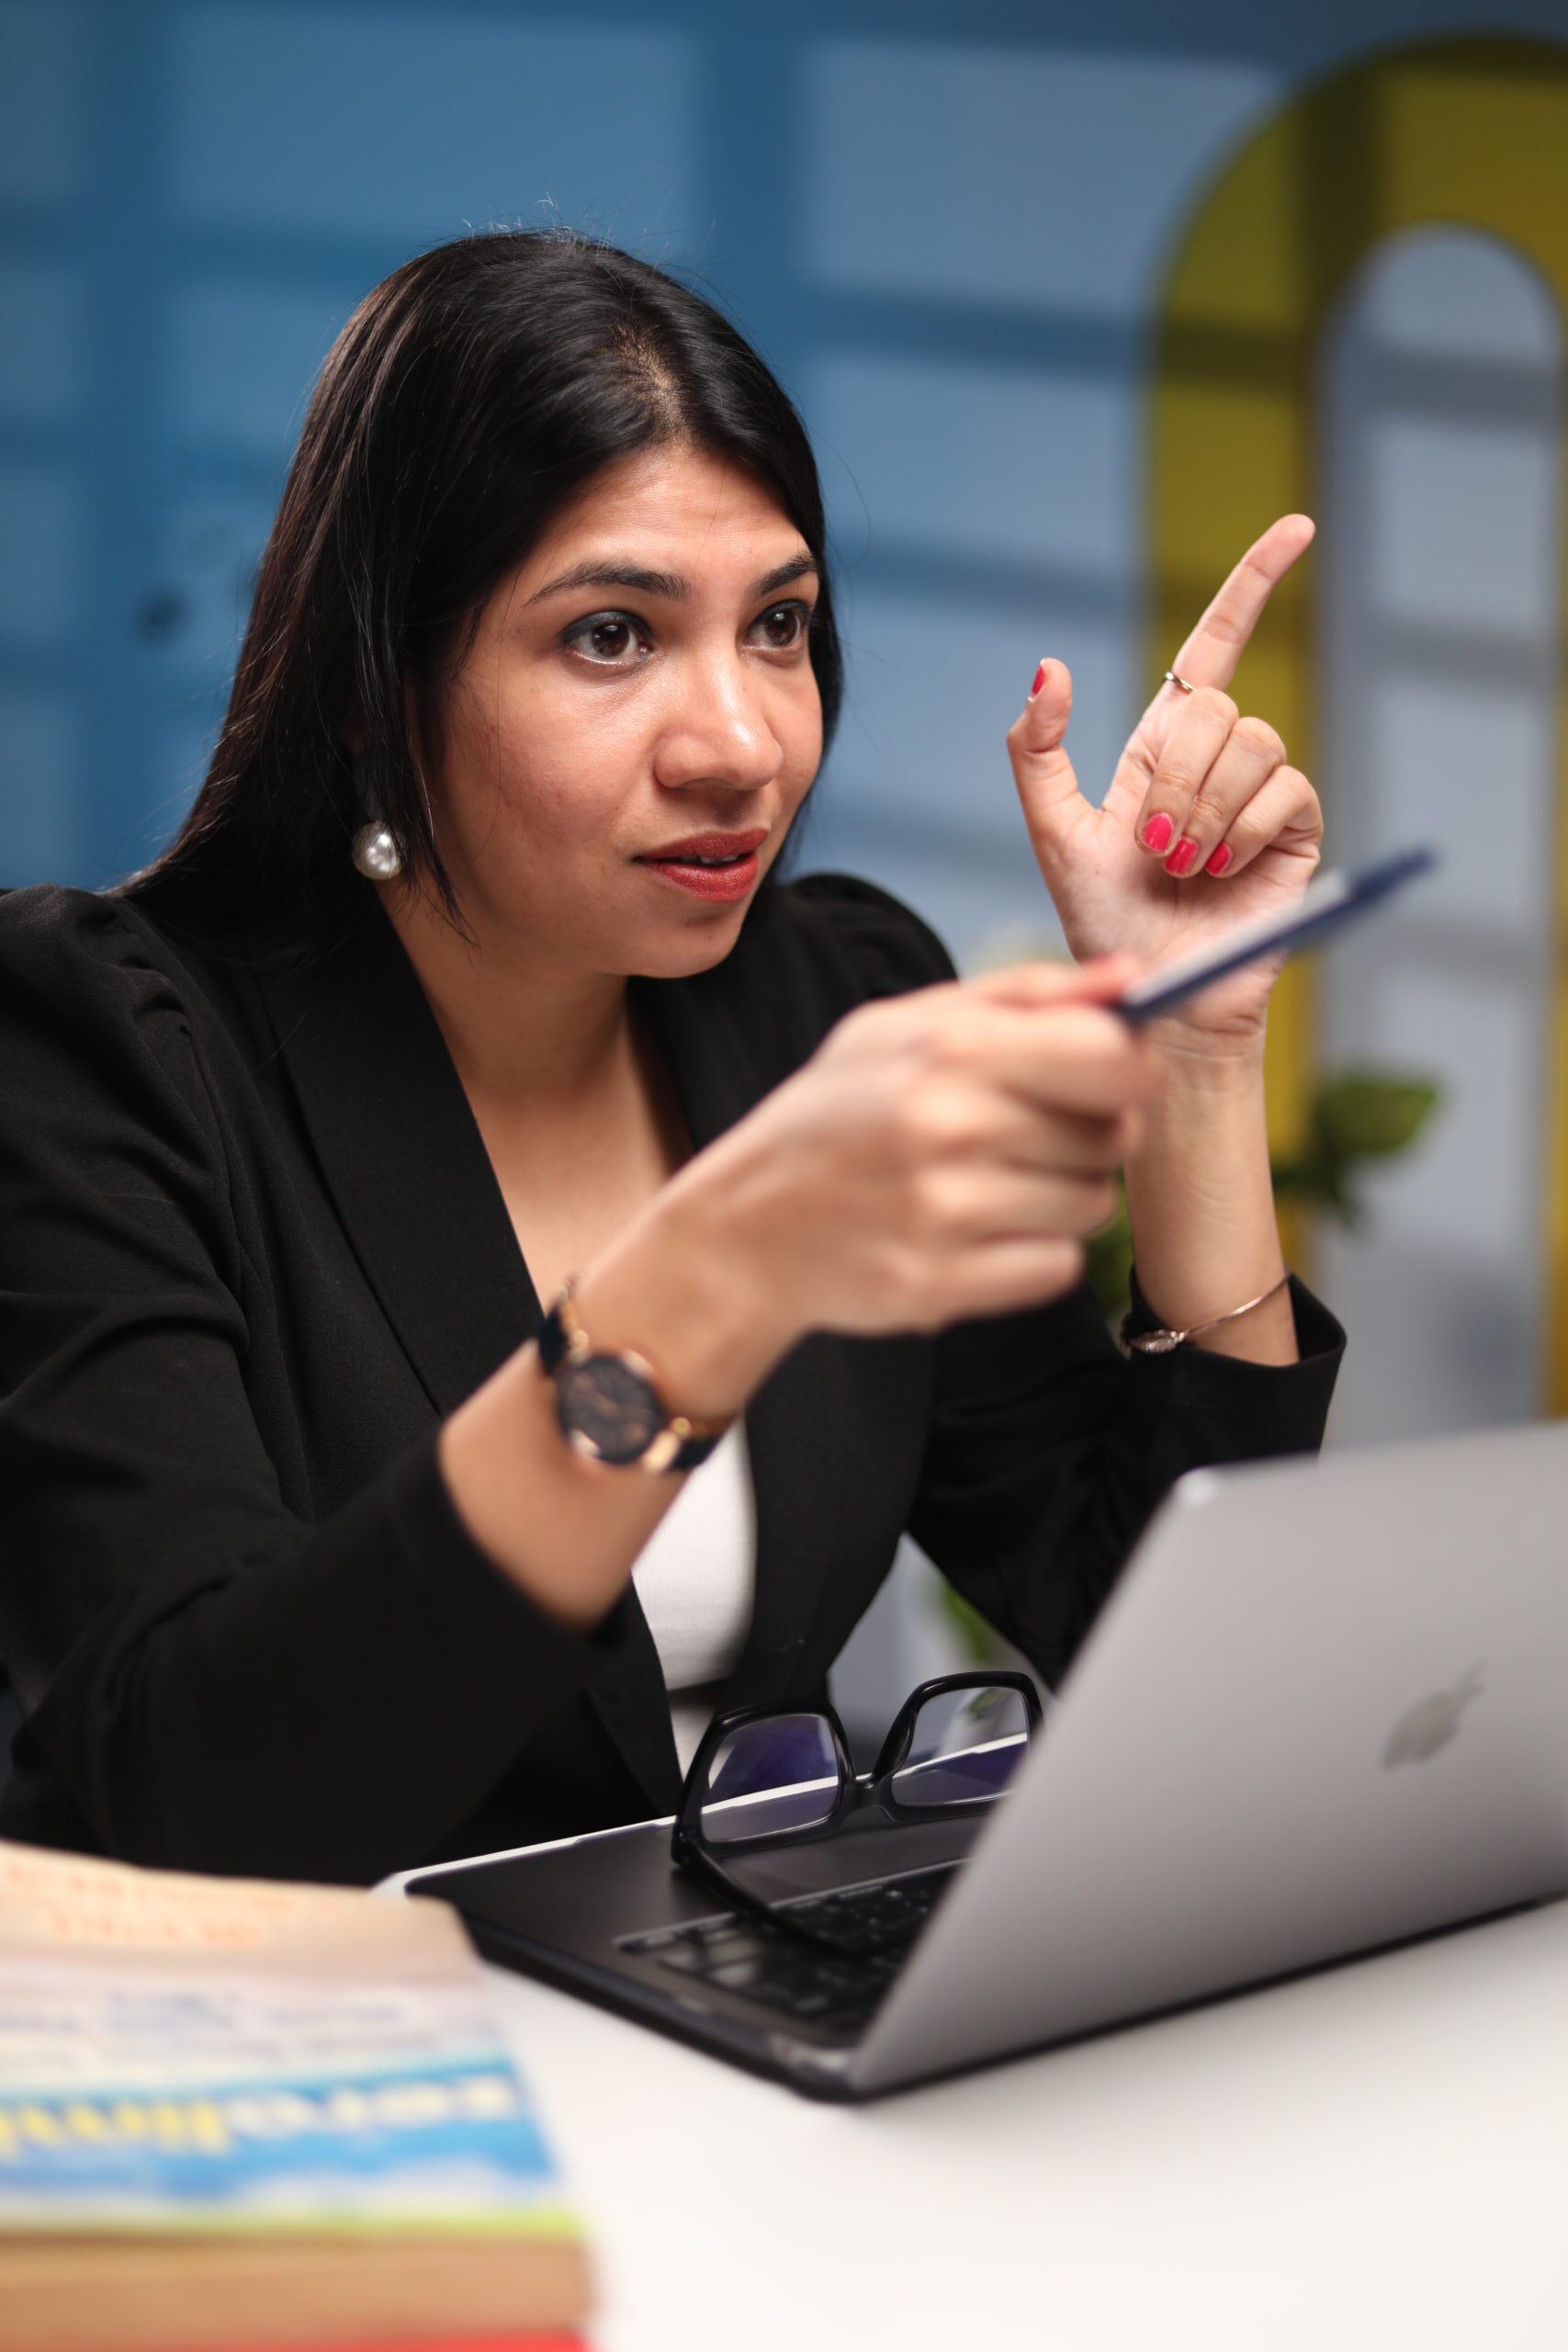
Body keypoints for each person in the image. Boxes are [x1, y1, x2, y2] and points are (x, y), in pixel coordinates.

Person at [0, 230, 1342, 1886]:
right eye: (612, 637)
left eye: (777, 625)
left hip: (708, 2001)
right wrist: (697, 1284)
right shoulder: (97, 1045)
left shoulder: (831, 1005)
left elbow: (1172, 1657)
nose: (741, 745)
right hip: (284, 2015)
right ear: (371, 689)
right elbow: (197, 1785)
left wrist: (1196, 1047)